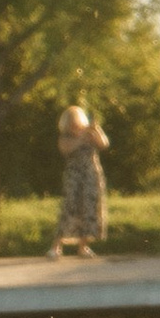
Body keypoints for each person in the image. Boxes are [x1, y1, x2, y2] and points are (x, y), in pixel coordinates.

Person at [52, 100, 110, 256]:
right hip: (74, 176)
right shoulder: (66, 137)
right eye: (71, 123)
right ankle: (56, 247)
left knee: (90, 209)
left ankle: (83, 246)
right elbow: (66, 149)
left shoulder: (90, 133)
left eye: (76, 122)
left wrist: (96, 130)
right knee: (70, 208)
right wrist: (81, 137)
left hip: (91, 175)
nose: (74, 125)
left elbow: (104, 144)